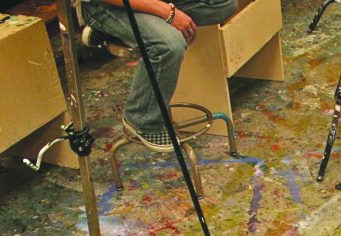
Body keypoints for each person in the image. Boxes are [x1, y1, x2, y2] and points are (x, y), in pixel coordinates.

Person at [80, 0, 236, 150]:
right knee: (167, 46)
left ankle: (117, 30)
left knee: (222, 3)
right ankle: (142, 120)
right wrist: (168, 13)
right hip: (106, 5)